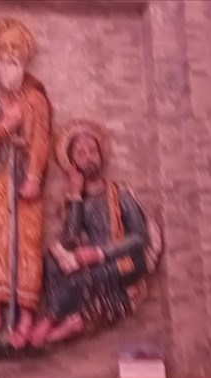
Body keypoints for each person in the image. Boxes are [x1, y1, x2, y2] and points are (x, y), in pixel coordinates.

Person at [28, 120, 163, 347]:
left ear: (101, 155)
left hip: (126, 259)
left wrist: (99, 253)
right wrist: (74, 196)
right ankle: (73, 319)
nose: (88, 157)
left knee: (81, 280)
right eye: (81, 153)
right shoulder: (81, 200)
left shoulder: (120, 195)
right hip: (94, 260)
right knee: (50, 264)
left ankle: (51, 320)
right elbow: (70, 238)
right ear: (71, 163)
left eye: (92, 151)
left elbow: (139, 238)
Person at [0, 17, 52, 347]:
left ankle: (26, 316)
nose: (11, 53)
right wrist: (5, 126)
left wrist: (34, 177)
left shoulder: (36, 97)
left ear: (26, 53)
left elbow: (42, 141)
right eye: (4, 47)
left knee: (28, 243)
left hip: (26, 181)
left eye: (17, 47)